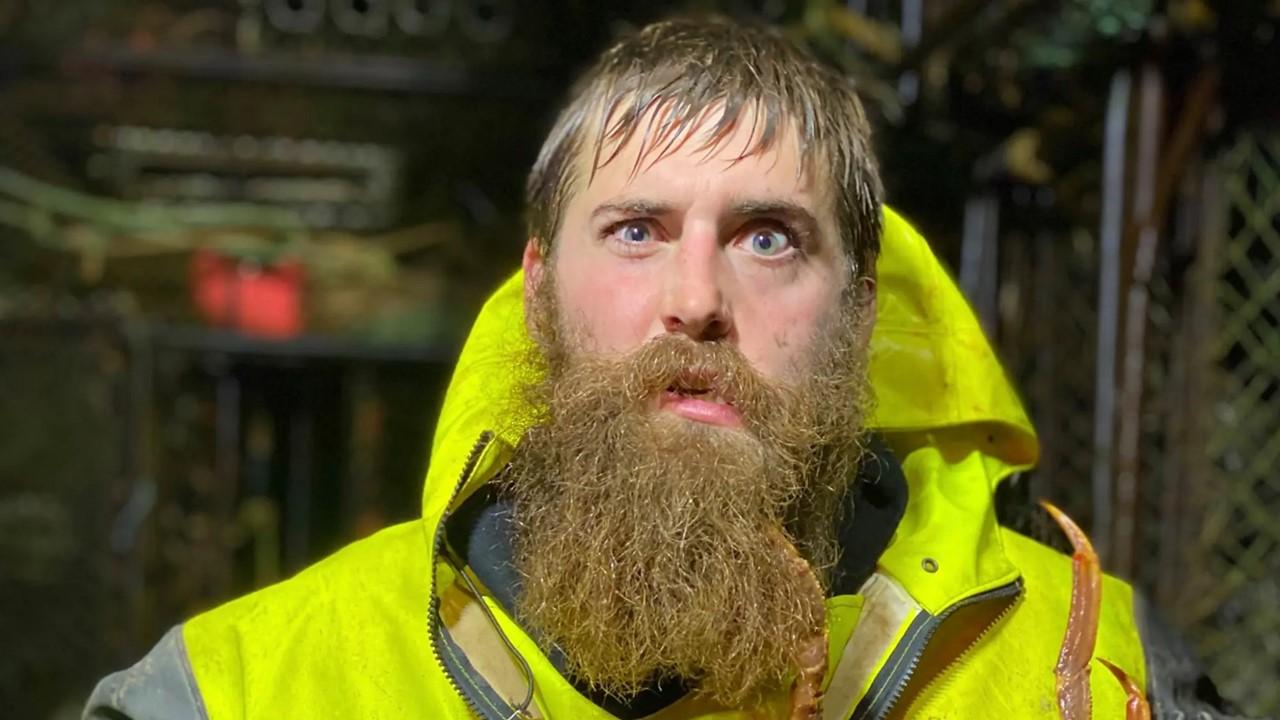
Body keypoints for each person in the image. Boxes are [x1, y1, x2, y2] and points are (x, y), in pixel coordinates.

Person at [85, 15, 1249, 720]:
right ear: (537, 291)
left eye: (766, 237)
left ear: (857, 310)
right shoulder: (238, 690)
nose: (694, 302)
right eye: (636, 231)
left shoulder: (1092, 677)